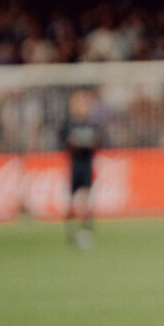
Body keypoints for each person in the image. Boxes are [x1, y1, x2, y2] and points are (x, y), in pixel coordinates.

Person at [61, 89, 102, 248]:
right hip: (75, 165)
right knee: (71, 198)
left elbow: (99, 142)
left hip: (87, 165)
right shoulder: (69, 124)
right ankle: (70, 229)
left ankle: (86, 229)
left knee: (85, 198)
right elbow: (65, 142)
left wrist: (89, 143)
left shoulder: (92, 124)